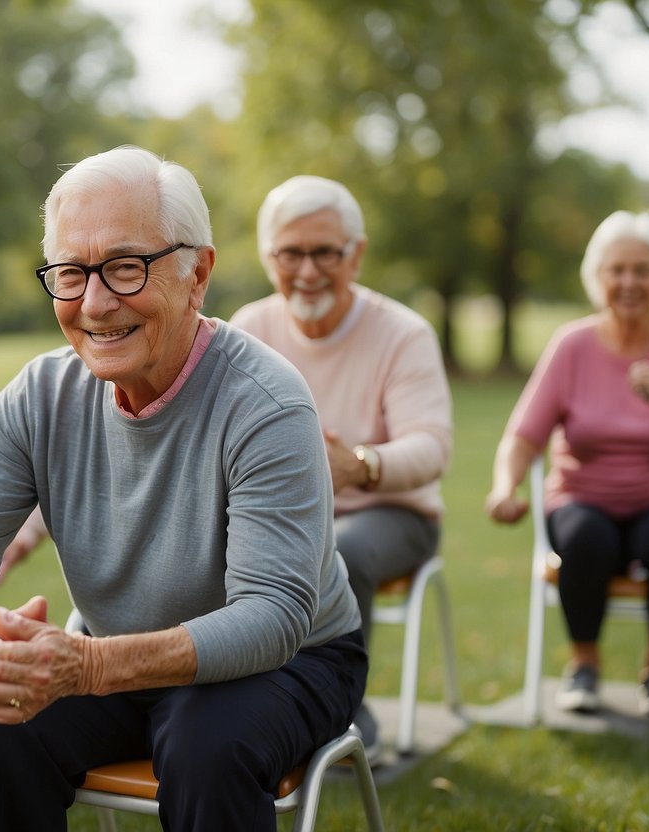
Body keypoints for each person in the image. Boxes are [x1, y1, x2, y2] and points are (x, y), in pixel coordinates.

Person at [0, 145, 367, 832]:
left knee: (205, 744)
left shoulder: (265, 400)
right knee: (2, 729)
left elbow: (272, 616)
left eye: (125, 267)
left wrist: (87, 666)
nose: (94, 302)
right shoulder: (39, 394)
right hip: (115, 651)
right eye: (69, 273)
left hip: (291, 662)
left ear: (196, 273)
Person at [230, 175, 452, 760]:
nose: (307, 271)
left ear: (356, 253)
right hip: (282, 517)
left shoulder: (403, 334)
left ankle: (344, 710)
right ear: (267, 256)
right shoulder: (247, 330)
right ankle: (238, 708)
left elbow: (432, 448)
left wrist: (358, 466)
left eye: (324, 252)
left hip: (390, 516)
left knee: (338, 551)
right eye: (291, 253)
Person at [484, 210, 649, 716]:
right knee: (584, 540)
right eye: (617, 270)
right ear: (597, 278)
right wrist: (504, 487)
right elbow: (524, 434)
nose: (629, 282)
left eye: (642, 270)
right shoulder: (572, 345)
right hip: (583, 498)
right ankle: (584, 664)